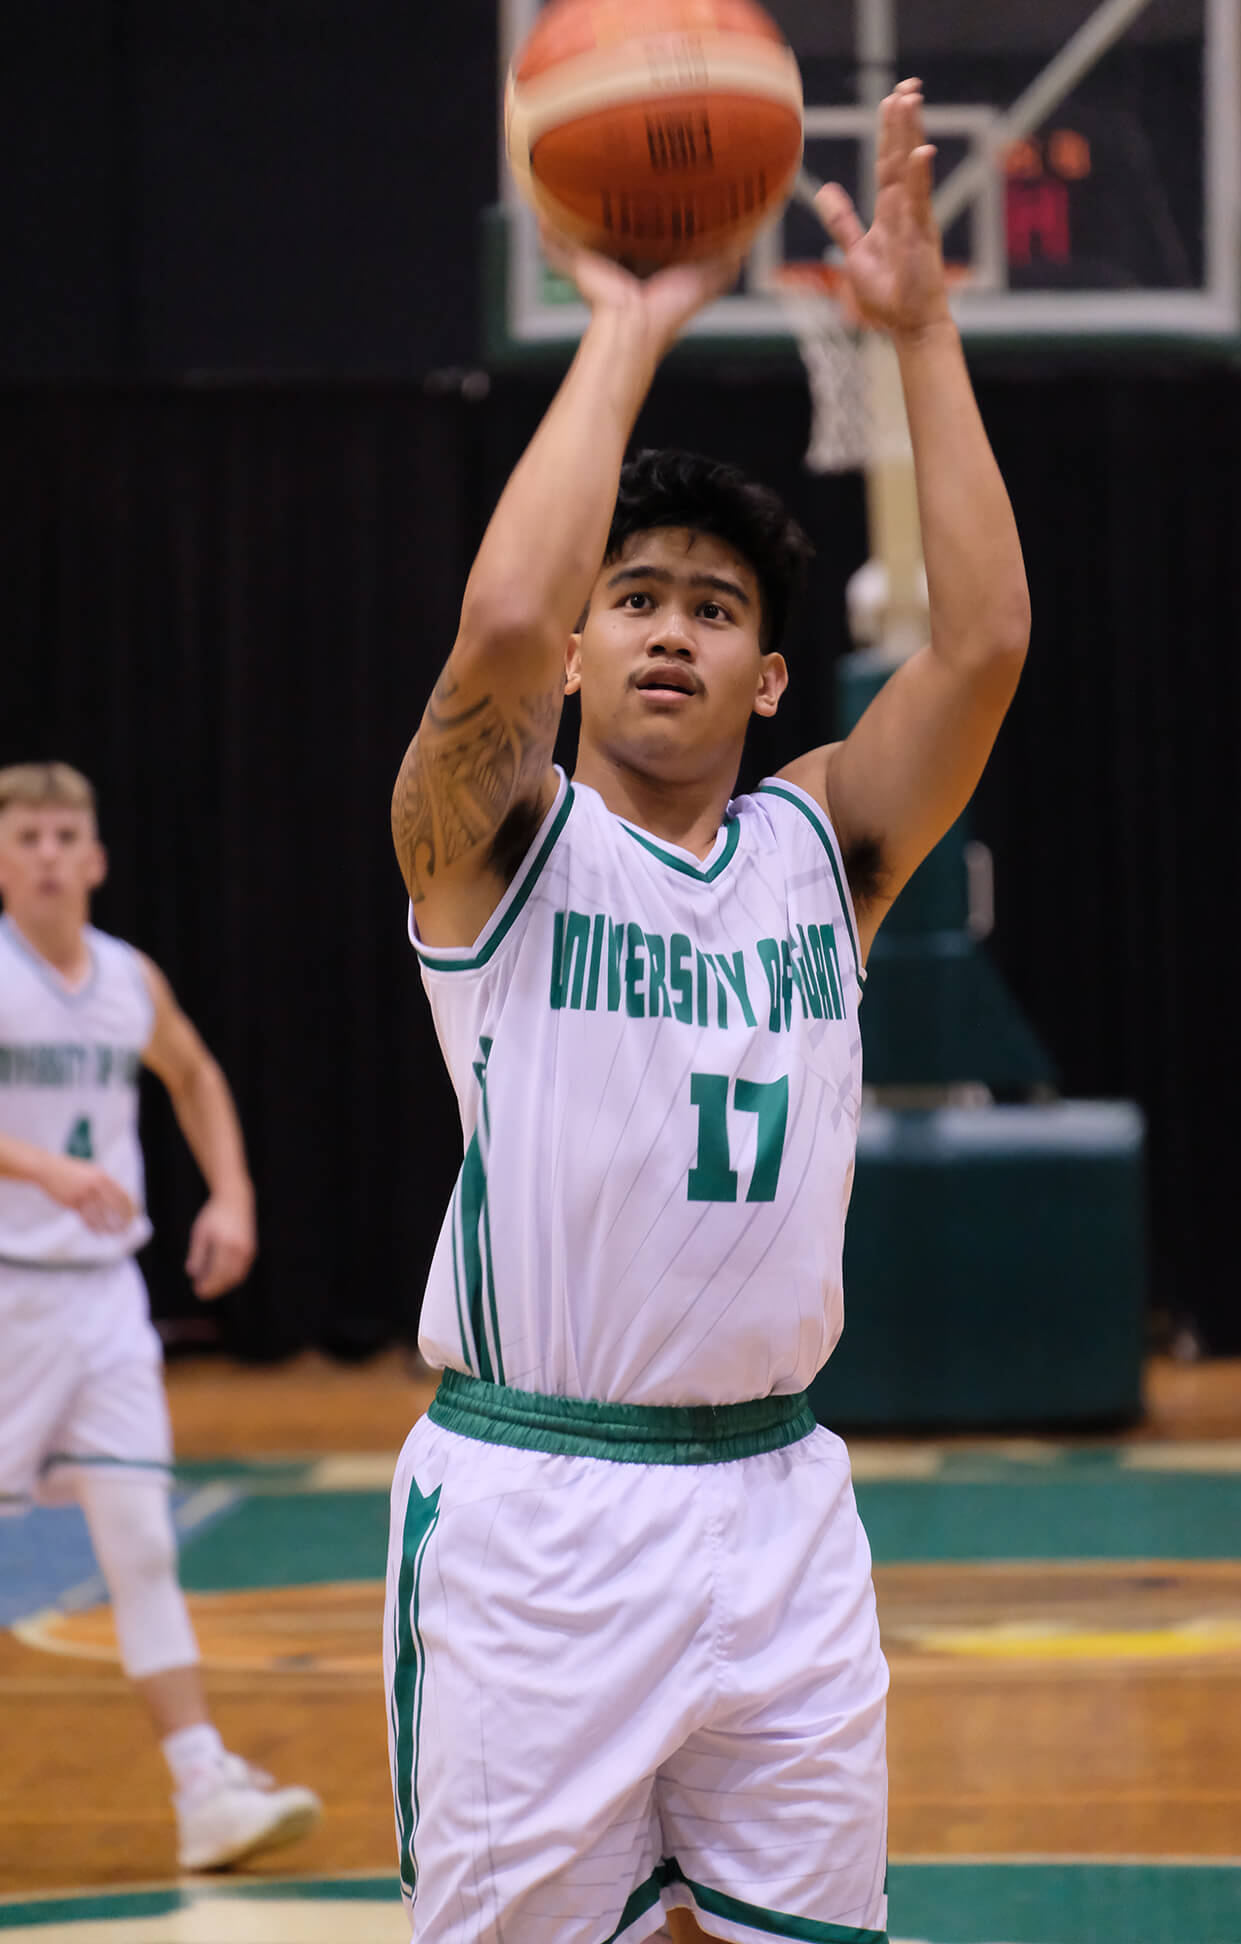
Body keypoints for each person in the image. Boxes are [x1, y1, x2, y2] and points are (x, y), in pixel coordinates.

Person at [385, 81, 1028, 1944]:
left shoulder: (820, 847)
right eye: (639, 597)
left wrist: (917, 329)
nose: (671, 626)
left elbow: (983, 644)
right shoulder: (495, 841)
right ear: (588, 652)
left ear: (765, 679)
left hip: (776, 1498)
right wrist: (629, 321)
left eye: (715, 610)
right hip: (535, 1511)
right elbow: (502, 612)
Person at [0, 760, 322, 1872]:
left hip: (106, 1303)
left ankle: (202, 1789)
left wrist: (230, 1194)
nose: (46, 854)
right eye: (26, 835)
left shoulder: (129, 978)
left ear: (93, 858)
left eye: (62, 836)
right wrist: (40, 1165)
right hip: (8, 1291)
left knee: (138, 1540)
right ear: (2, 859)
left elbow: (192, 1075)